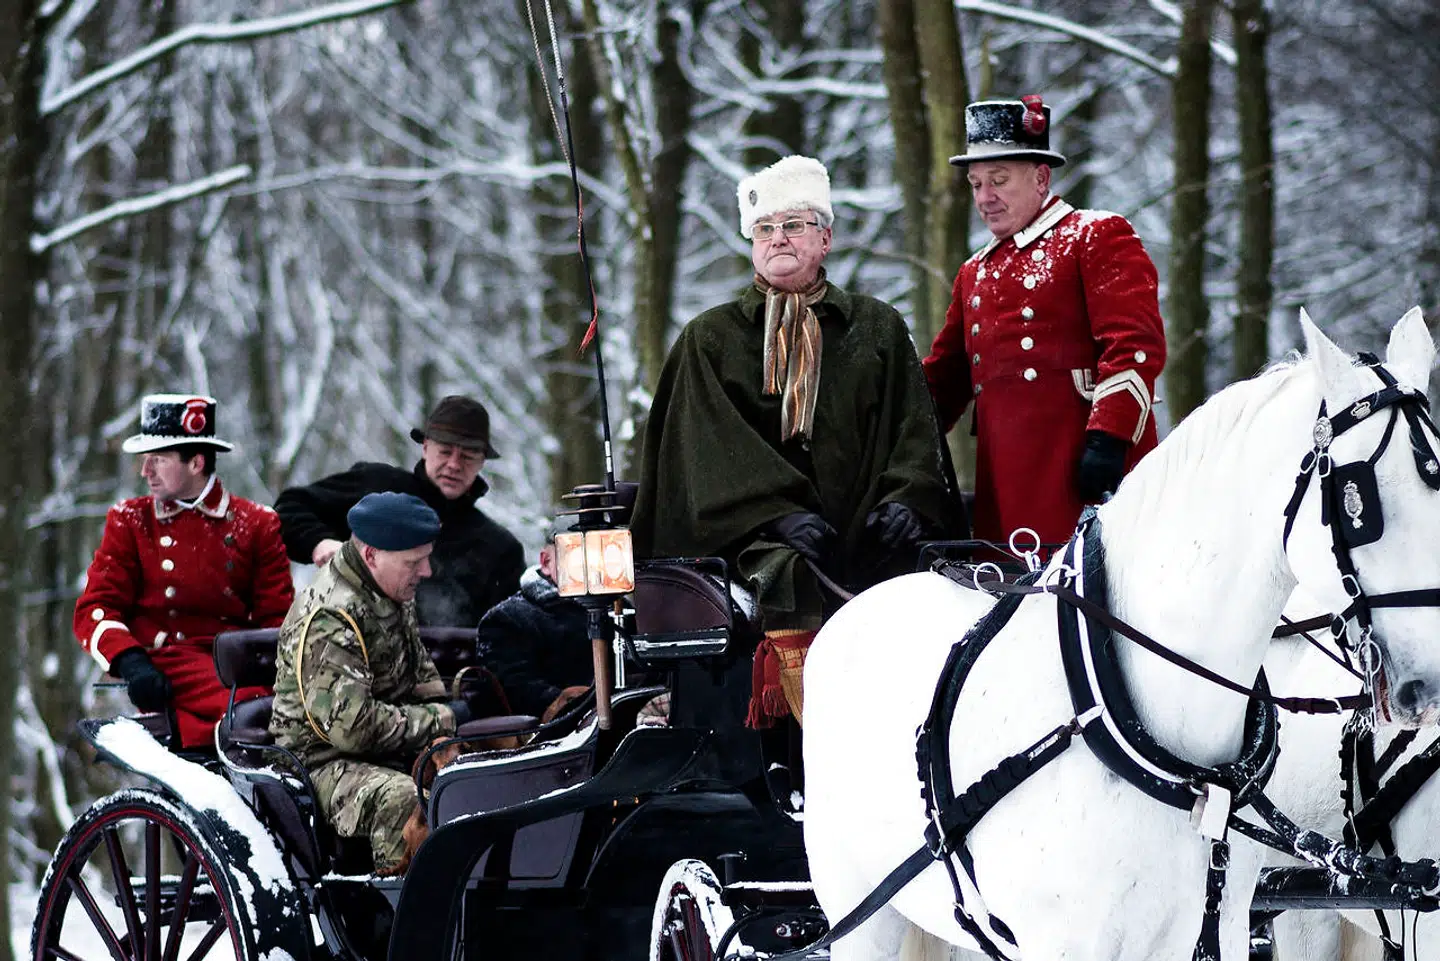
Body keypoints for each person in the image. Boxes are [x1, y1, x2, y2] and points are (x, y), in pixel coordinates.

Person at [630, 154, 959, 729]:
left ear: (825, 238)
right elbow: (702, 454)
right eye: (765, 229)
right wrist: (776, 516)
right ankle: (810, 741)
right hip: (749, 542)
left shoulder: (876, 328)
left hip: (864, 528)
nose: (777, 239)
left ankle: (916, 730)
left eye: (794, 225)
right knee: (788, 572)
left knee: (917, 574)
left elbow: (916, 430)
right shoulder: (709, 340)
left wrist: (907, 499)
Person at [923, 95, 1167, 547]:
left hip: (1083, 477)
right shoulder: (974, 271)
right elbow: (942, 381)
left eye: (998, 180)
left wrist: (1108, 440)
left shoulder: (1094, 235)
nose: (985, 197)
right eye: (976, 184)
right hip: (1005, 485)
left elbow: (1134, 346)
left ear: (1041, 178)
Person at [269, 492, 493, 875]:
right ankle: (397, 923)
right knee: (403, 800)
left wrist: (449, 734)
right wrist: (441, 720)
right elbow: (352, 730)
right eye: (414, 561)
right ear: (372, 555)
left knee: (478, 771)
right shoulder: (331, 616)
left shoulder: (388, 587)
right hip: (321, 763)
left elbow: (419, 673)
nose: (427, 571)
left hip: (381, 748)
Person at [73, 394, 294, 748]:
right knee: (253, 712)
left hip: (238, 664)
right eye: (146, 460)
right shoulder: (132, 521)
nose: (146, 471)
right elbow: (95, 608)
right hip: (167, 664)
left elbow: (276, 622)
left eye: (157, 459)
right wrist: (131, 661)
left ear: (196, 463)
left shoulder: (257, 523)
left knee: (296, 713)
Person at [275, 395, 525, 627]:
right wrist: (320, 542)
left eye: (468, 456)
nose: (454, 465)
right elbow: (289, 508)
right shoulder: (377, 489)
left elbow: (505, 635)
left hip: (450, 670)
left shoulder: (500, 549)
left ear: (482, 462)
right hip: (353, 657)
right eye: (445, 452)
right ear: (425, 447)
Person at [476, 542, 591, 722]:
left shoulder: (620, 612)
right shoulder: (508, 618)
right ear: (546, 562)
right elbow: (512, 689)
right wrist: (578, 701)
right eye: (578, 557)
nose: (593, 567)